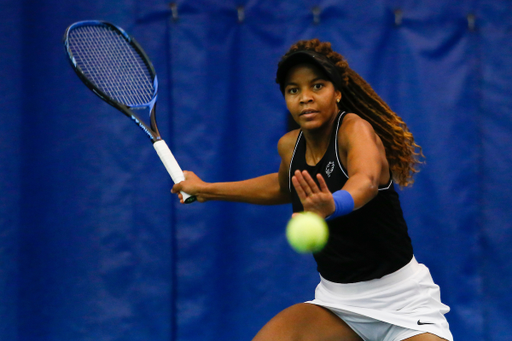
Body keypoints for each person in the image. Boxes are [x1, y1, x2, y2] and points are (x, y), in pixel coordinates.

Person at [171, 39, 453, 341]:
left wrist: (334, 204)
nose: (305, 98)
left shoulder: (355, 130)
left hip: (404, 303)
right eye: (294, 90)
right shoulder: (290, 146)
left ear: (338, 92)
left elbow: (366, 181)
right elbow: (281, 187)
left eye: (317, 86)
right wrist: (206, 189)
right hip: (337, 304)